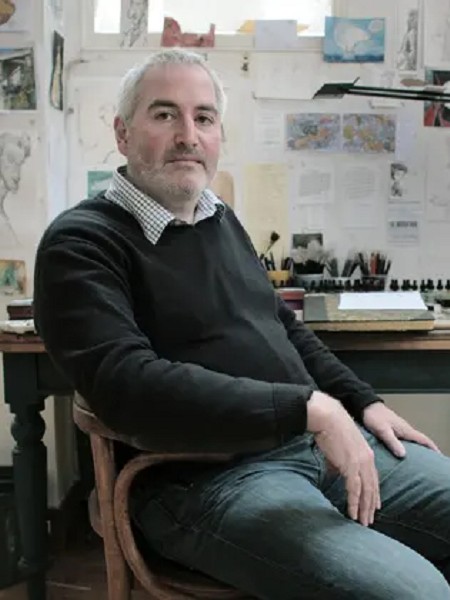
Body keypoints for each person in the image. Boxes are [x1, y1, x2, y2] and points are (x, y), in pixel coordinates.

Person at [34, 48, 450, 599]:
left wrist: (361, 402)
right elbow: (126, 384)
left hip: (307, 445)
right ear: (122, 133)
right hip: (202, 478)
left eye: (204, 117)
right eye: (164, 114)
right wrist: (310, 409)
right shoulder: (81, 243)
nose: (188, 135)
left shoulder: (217, 218)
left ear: (218, 135)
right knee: (418, 593)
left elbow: (281, 324)